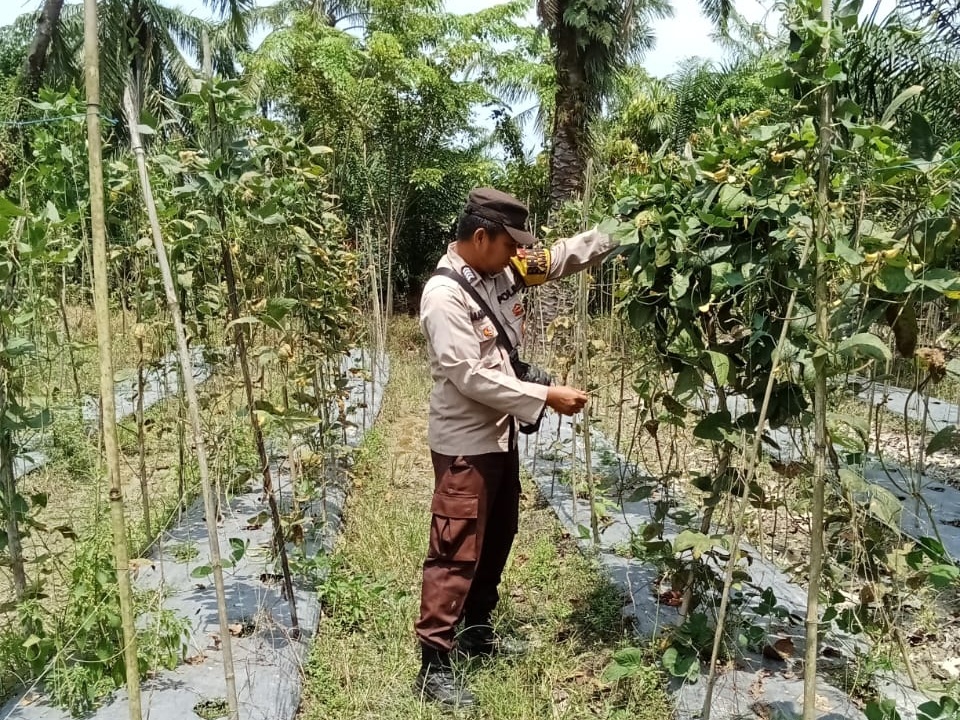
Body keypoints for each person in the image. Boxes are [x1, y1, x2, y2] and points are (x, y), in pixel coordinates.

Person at [413, 187, 621, 707]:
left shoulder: (504, 269)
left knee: (499, 531)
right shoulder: (445, 297)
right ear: (480, 237)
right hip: (466, 441)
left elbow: (557, 259)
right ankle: (434, 663)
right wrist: (545, 395)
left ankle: (477, 631)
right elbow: (471, 376)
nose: (517, 255)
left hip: (499, 436)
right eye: (510, 244)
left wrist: (620, 232)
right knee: (455, 545)